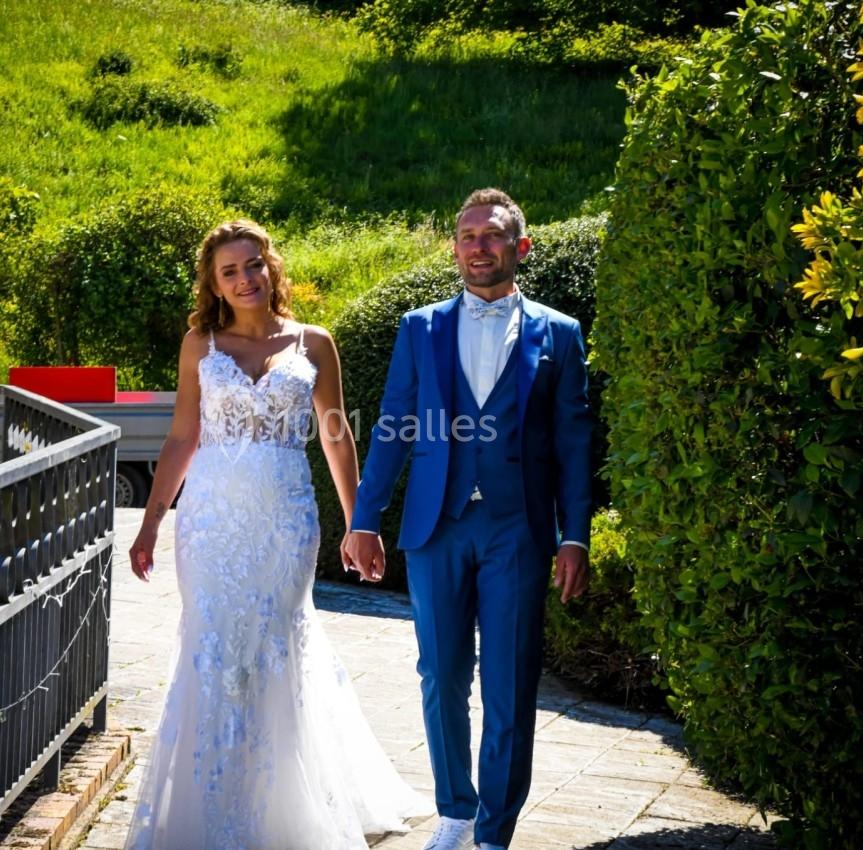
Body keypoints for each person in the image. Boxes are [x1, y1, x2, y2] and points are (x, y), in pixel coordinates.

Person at [125, 220, 430, 850]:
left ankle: (286, 812)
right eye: (229, 271)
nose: (245, 279)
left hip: (286, 519)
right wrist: (152, 521)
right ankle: (213, 805)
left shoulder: (315, 343)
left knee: (277, 642)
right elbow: (184, 436)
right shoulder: (199, 345)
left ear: (272, 267)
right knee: (214, 649)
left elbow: (335, 433)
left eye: (253, 264)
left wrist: (358, 522)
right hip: (210, 519)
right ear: (214, 283)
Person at [345, 188, 592, 850]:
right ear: (454, 247)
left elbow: (573, 443)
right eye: (466, 235)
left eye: (492, 235)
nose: (477, 245)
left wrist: (575, 535)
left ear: (521, 246)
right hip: (437, 526)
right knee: (440, 673)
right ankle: (455, 809)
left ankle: (493, 833)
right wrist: (364, 519)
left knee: (510, 679)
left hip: (518, 529)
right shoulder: (419, 327)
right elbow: (394, 427)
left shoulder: (560, 334)